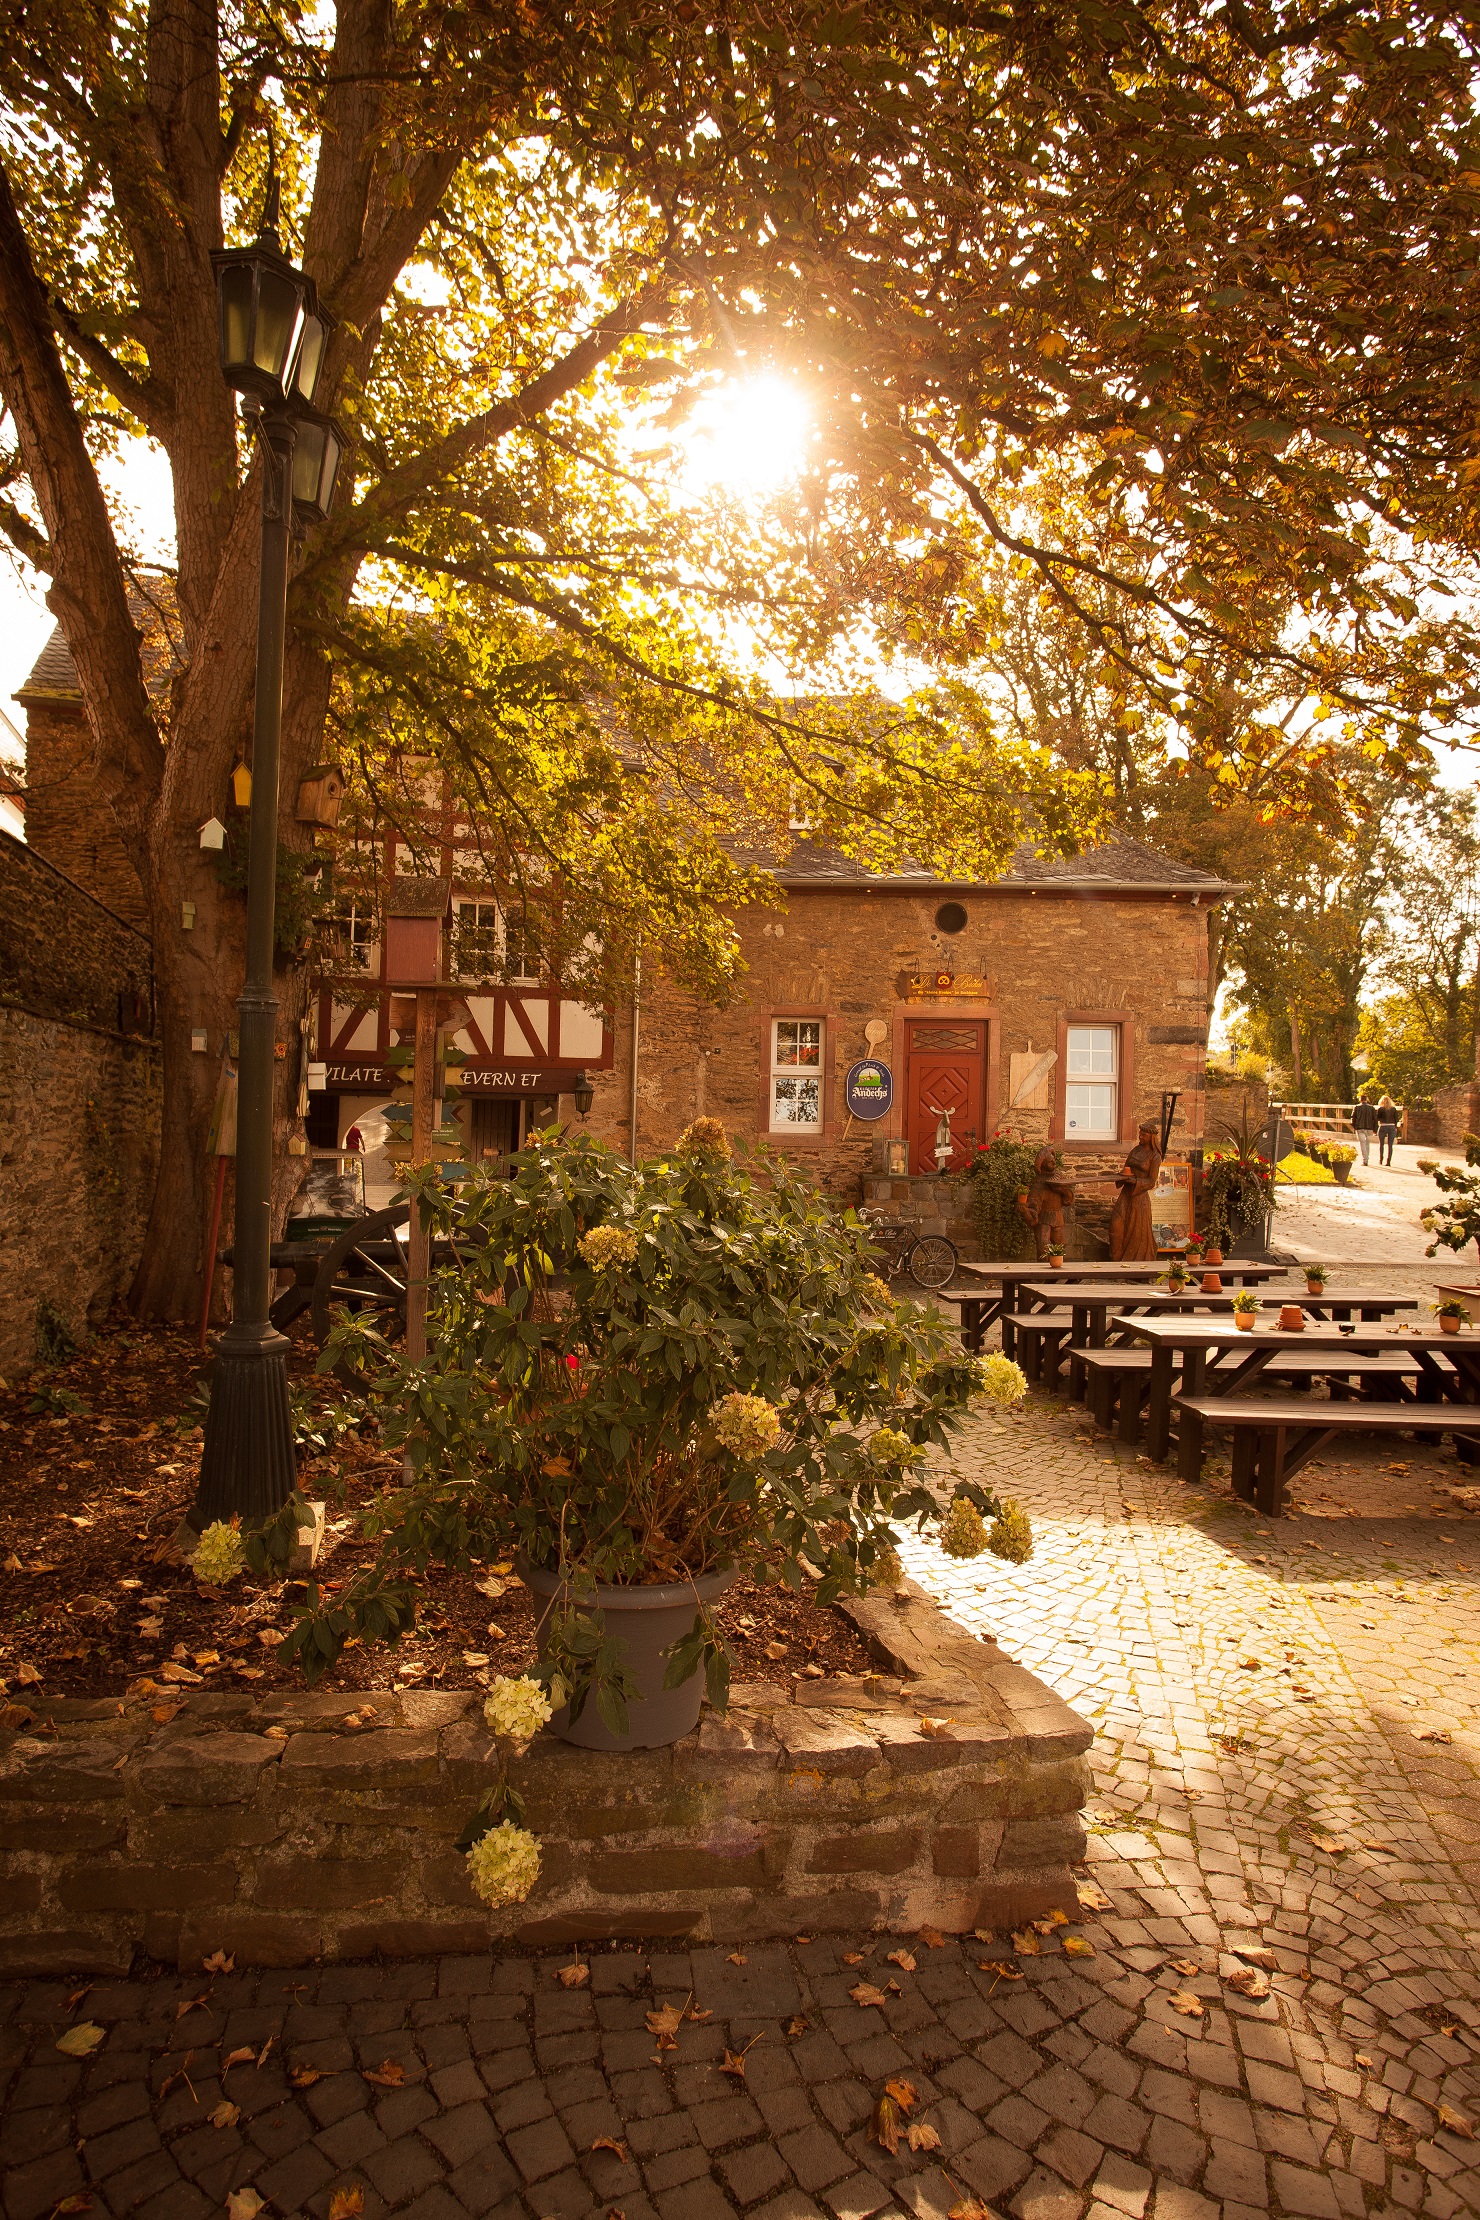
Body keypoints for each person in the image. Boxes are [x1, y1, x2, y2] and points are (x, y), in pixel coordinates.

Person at [1109, 1122, 1163, 1262]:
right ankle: (1116, 1261)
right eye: (1140, 1134)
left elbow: (1151, 1181)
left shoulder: (1155, 1156)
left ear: (1151, 1137)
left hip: (1139, 1198)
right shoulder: (1135, 1150)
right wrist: (1121, 1176)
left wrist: (1136, 1182)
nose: (1140, 1136)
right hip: (1126, 1195)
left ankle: (1137, 1263)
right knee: (1115, 1227)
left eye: (1144, 1135)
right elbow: (1126, 1169)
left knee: (1138, 1233)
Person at [1350, 1092, 1378, 1166]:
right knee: (1367, 1143)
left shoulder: (1357, 1107)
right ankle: (1366, 1159)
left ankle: (1365, 1160)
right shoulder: (1371, 1108)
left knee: (1362, 1144)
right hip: (1369, 1128)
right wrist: (1375, 1129)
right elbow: (1375, 1119)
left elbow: (1353, 1118)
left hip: (1360, 1128)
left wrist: (1355, 1127)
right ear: (1366, 1100)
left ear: (1360, 1100)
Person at [1376, 1092, 1400, 1166]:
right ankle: (1388, 1161)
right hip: (1392, 1126)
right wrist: (1395, 1127)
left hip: (1383, 1126)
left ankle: (1381, 1160)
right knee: (1390, 1145)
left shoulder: (1381, 1109)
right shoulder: (1393, 1109)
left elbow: (1377, 1118)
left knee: (1381, 1144)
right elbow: (1396, 1119)